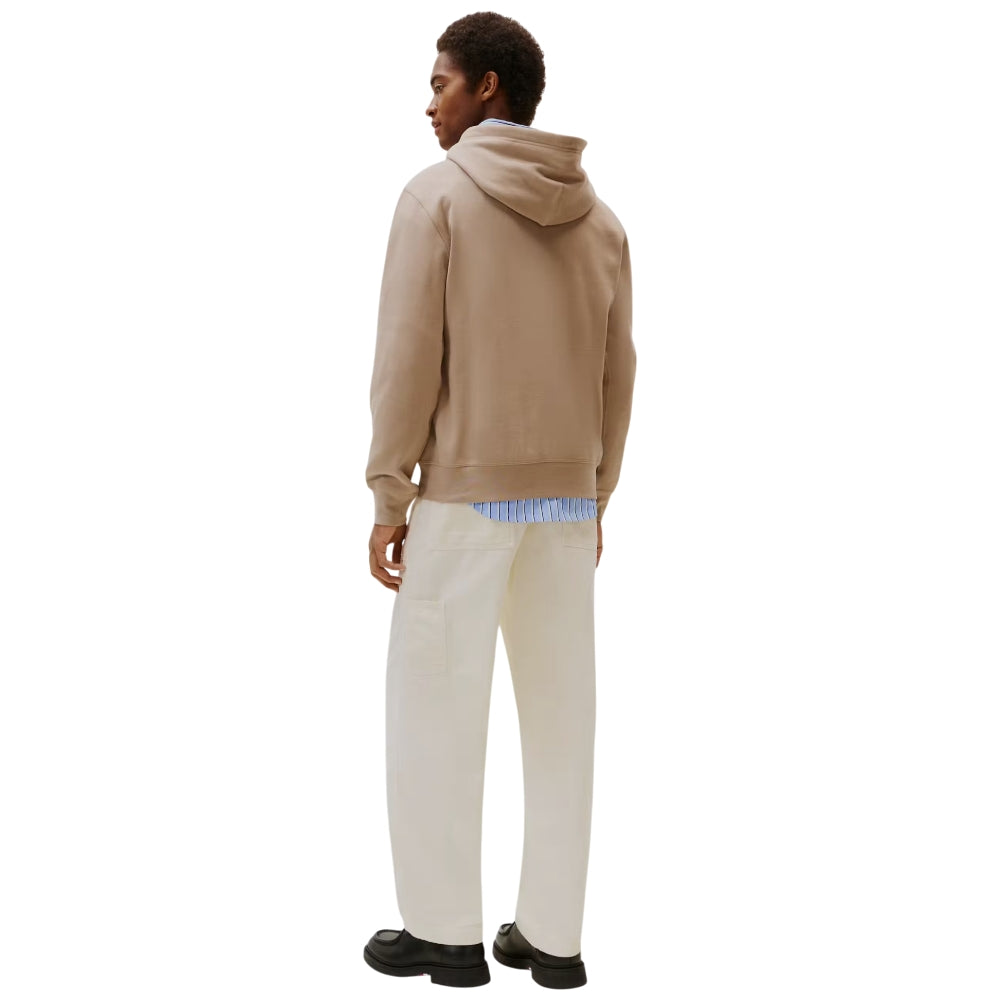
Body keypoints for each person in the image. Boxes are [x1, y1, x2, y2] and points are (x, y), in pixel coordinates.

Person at [362, 11, 636, 989]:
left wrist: (389, 493)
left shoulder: (435, 197)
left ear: (487, 87)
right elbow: (617, 373)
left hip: (465, 503)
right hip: (564, 508)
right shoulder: (601, 220)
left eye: (440, 82)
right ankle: (553, 941)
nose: (428, 103)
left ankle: (445, 935)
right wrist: (596, 494)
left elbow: (407, 359)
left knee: (435, 713)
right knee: (564, 725)